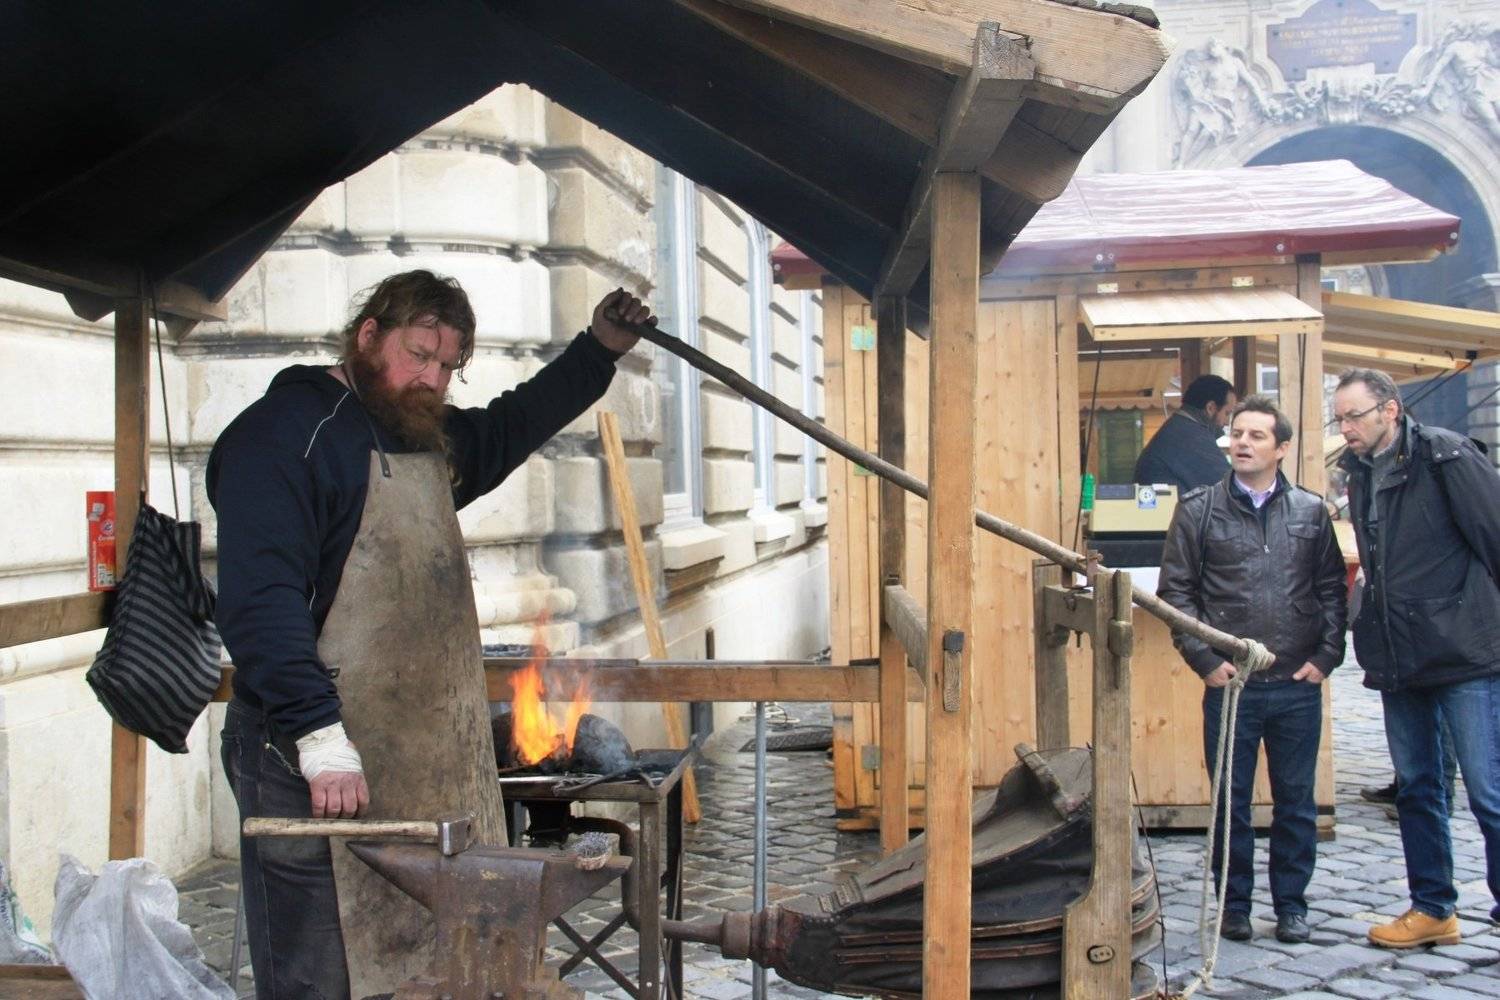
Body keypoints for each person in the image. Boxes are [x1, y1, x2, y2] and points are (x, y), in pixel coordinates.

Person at [207, 270, 653, 998]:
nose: (432, 380)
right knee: (321, 973)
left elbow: (511, 424)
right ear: (368, 336)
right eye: (418, 356)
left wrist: (598, 350)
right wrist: (320, 738)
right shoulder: (283, 436)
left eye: (448, 366)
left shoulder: (420, 436)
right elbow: (261, 602)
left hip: (412, 755)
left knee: (428, 964)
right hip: (306, 757)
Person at [1158, 394, 1346, 944]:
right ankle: (1233, 906)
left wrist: (1325, 657)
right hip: (1232, 685)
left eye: (1256, 435)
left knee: (1296, 805)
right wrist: (1203, 659)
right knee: (1230, 805)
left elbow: (1332, 590)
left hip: (1295, 685)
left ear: (1281, 448)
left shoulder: (1311, 510)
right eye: (1236, 433)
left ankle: (1292, 906)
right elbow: (1177, 594)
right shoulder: (1198, 509)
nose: (1241, 443)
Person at [1334, 368, 1500, 949]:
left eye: (1354, 415)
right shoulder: (1358, 471)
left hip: (1464, 652)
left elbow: (1495, 537)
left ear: (1390, 410)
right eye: (1340, 418)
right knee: (1417, 788)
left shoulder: (1446, 455)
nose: (1345, 428)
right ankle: (1433, 907)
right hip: (1398, 656)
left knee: (1489, 791)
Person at [1133, 374, 1237, 492]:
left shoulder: (1178, 427)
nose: (1227, 422)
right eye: (1227, 413)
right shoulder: (1191, 436)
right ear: (1211, 408)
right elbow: (1233, 488)